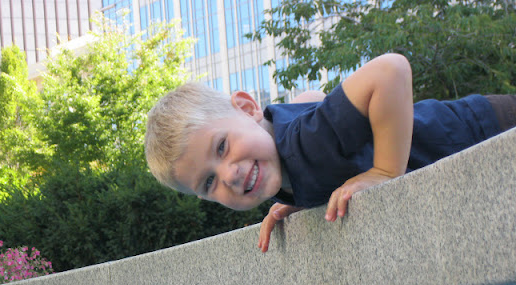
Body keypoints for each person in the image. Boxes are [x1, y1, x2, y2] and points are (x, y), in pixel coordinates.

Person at [145, 54, 516, 252]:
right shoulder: (281, 157)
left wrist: (385, 173)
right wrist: (304, 195)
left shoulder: (305, 142)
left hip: (484, 129)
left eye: (222, 147)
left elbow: (391, 70)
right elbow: (312, 99)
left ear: (247, 108)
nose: (230, 175)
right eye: (209, 182)